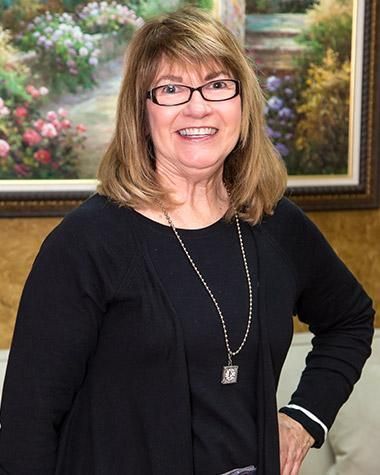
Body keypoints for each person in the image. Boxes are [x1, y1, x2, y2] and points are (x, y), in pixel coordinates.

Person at [0, 7, 374, 475]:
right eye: (172, 89)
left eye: (217, 85)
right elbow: (26, 428)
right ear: (142, 111)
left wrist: (303, 418)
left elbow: (351, 319)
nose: (198, 107)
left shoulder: (276, 225)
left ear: (242, 103)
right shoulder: (86, 244)